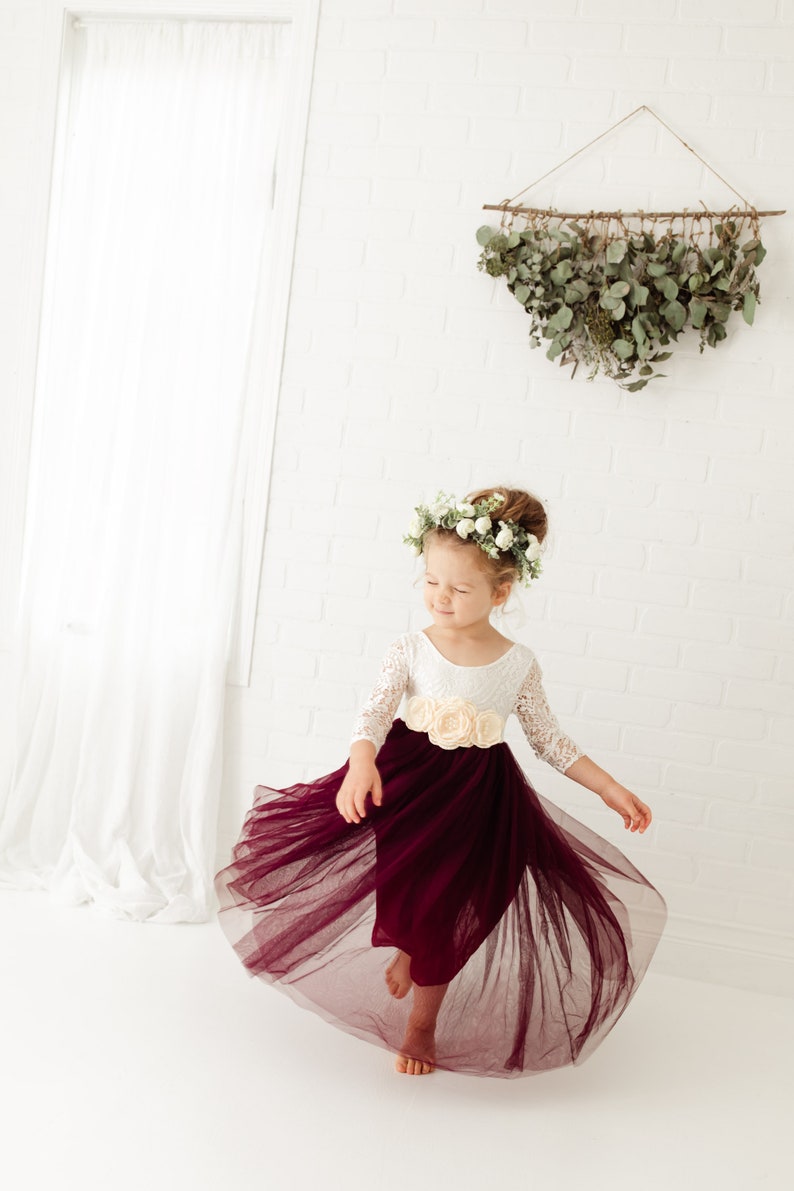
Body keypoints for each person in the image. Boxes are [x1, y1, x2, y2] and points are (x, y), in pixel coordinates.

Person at [215, 486, 666, 1079]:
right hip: (407, 785)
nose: (440, 598)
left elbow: (549, 740)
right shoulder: (411, 648)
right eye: (431, 581)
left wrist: (607, 787)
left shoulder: (518, 662)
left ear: (500, 592)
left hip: (481, 799)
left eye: (458, 588)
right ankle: (413, 946)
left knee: (460, 903)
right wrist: (360, 761)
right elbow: (372, 715)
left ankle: (422, 1021)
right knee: (413, 891)